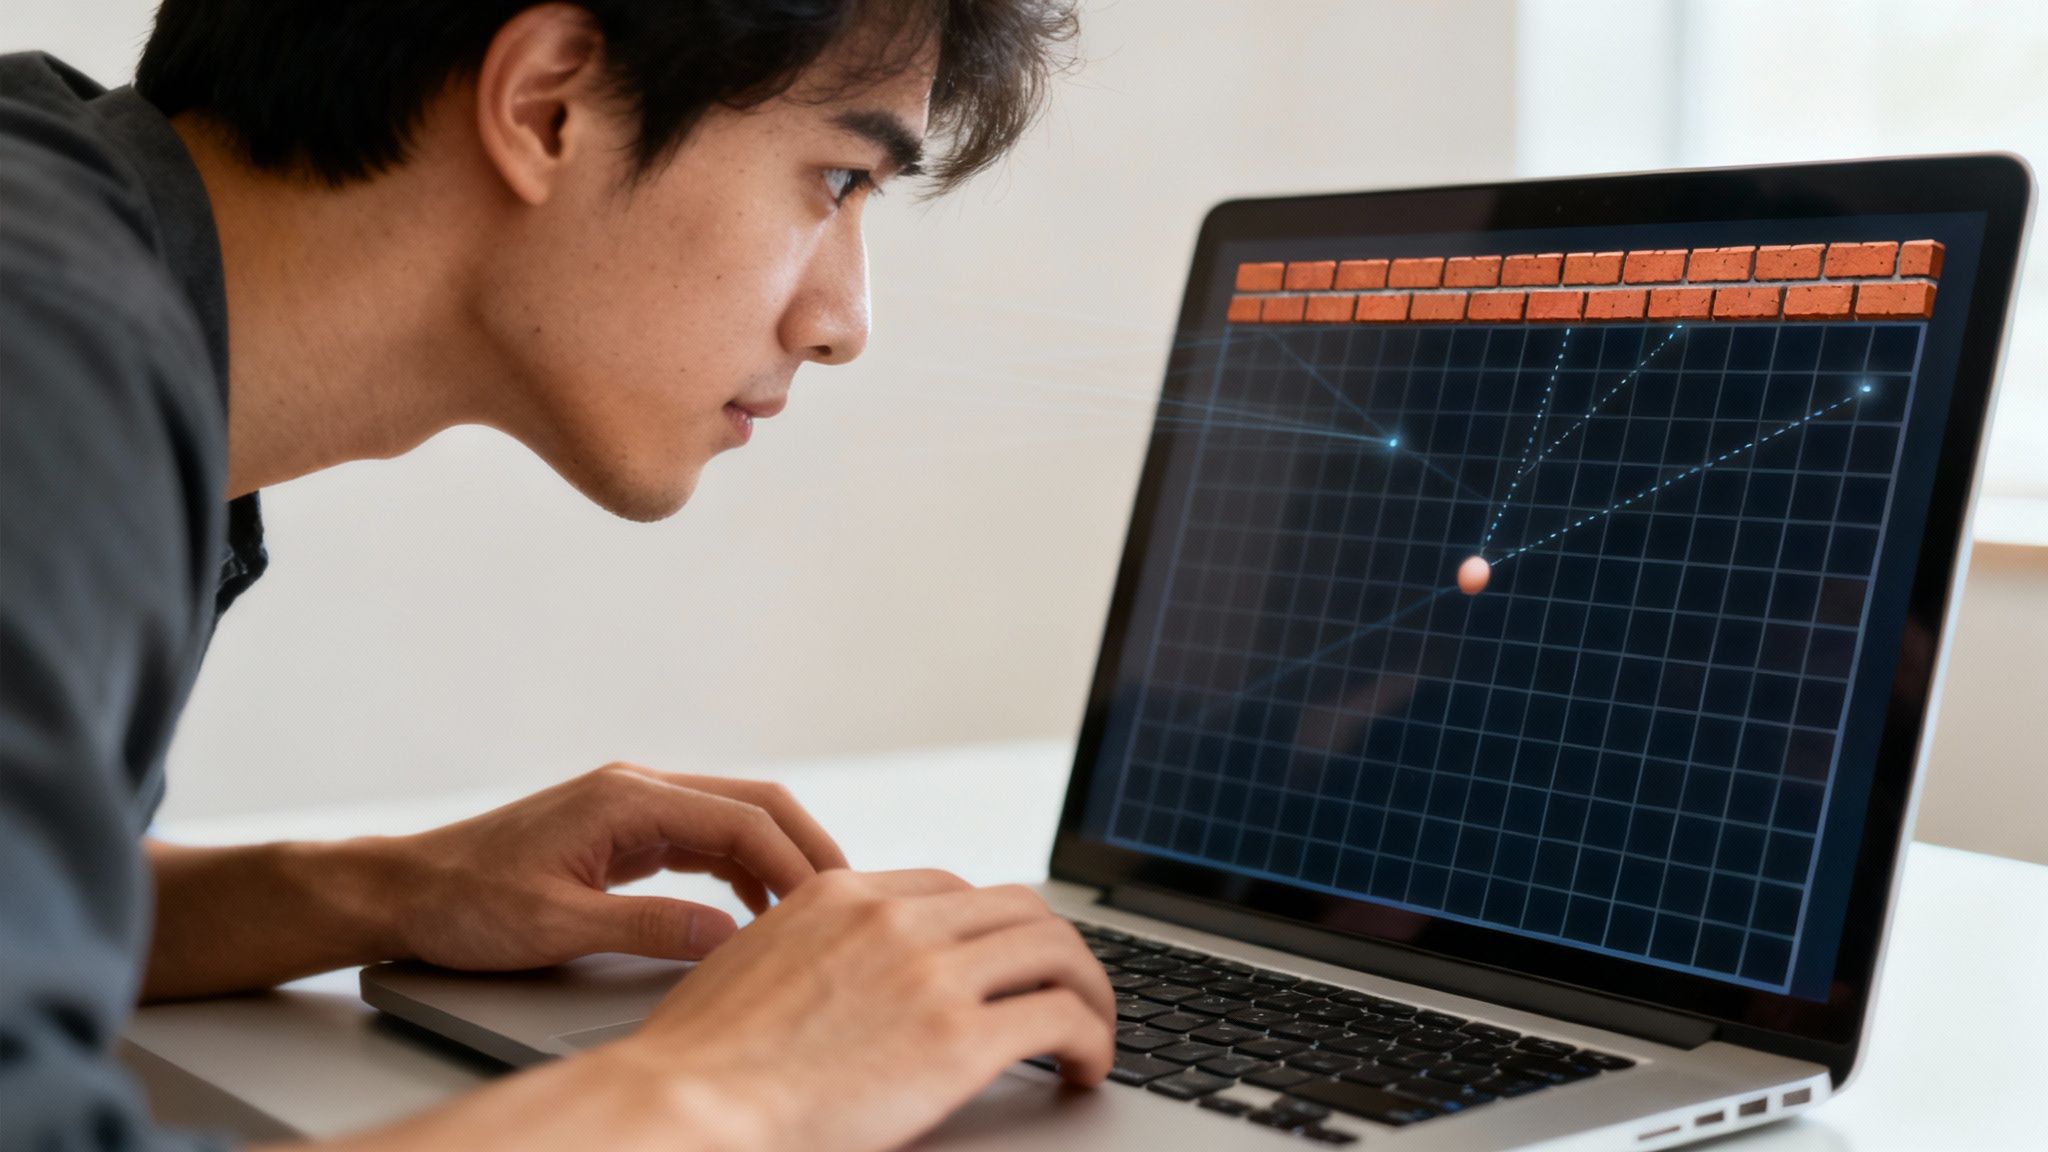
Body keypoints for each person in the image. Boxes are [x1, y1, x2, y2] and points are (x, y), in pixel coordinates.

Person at [0, 2, 1114, 1150]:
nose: (844, 322)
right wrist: (729, 1085)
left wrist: (392, 889)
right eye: (835, 179)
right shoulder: (38, 373)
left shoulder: (71, 239)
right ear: (545, 107)